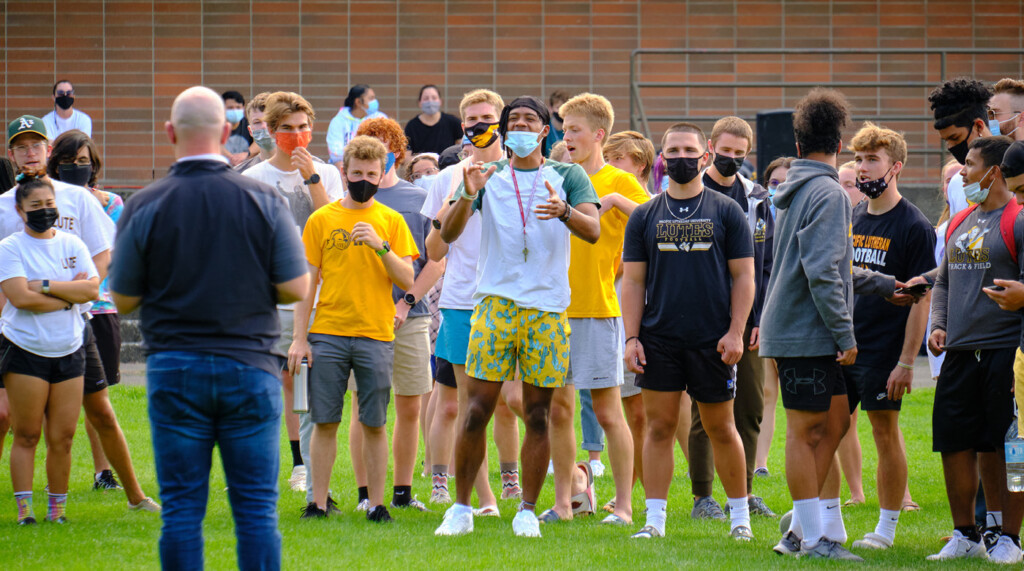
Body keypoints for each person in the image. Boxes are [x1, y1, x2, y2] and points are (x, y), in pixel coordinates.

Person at [110, 86, 309, 568]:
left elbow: (122, 298)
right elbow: (295, 287)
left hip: (175, 367)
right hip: (250, 367)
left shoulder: (144, 204)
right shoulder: (262, 198)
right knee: (258, 514)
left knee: (180, 513)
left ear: (170, 132)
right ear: (226, 132)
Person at [433, 95, 601, 538]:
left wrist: (564, 211)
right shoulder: (486, 175)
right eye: (515, 120)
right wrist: (468, 192)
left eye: (531, 120)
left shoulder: (568, 174)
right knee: (476, 410)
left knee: (538, 414)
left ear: (546, 130)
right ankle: (462, 508)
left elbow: (594, 230)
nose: (521, 126)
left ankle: (527, 509)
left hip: (547, 310)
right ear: (505, 132)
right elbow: (447, 234)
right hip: (494, 305)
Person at [2, 116, 158, 514]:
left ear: (48, 149)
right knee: (6, 416)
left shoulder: (77, 198)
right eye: (21, 147)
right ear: (12, 155)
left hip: (76, 326)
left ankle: (136, 497)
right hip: (17, 329)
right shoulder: (4, 205)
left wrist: (73, 298)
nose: (30, 153)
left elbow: (102, 257)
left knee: (102, 412)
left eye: (36, 145)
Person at [622, 122, 756, 541]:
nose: (681, 156)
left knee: (721, 428)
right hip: (658, 339)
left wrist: (736, 331)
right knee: (658, 428)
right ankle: (654, 522)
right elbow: (632, 282)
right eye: (672, 150)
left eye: (688, 149)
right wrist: (631, 337)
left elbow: (745, 277)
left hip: (712, 339)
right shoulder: (644, 214)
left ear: (705, 155)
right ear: (662, 158)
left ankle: (740, 520)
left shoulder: (727, 210)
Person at [287, 135, 417, 523]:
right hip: (327, 331)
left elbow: (408, 279)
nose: (364, 179)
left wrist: (381, 247)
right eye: (357, 172)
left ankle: (377, 505)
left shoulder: (390, 221)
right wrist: (299, 338)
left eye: (372, 173)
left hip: (376, 333)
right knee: (325, 420)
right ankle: (319, 503)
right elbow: (306, 285)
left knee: (374, 421)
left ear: (382, 175)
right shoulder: (321, 219)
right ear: (343, 172)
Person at [760, 89, 863, 560]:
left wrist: (883, 284)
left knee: (837, 421)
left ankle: (807, 528)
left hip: (802, 328)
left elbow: (830, 265)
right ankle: (811, 538)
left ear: (798, 146)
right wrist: (845, 333)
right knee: (805, 433)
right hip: (806, 332)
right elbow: (822, 271)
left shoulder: (797, 188)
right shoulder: (827, 192)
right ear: (838, 144)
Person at [543, 93, 647, 525]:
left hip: (598, 309)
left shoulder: (618, 180)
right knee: (558, 410)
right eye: (564, 130)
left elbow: (658, 216)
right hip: (550, 311)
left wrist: (616, 204)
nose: (567, 138)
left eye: (575, 131)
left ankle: (622, 507)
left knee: (608, 412)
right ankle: (565, 501)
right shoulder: (551, 175)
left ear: (598, 134)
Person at [421, 89, 523, 511]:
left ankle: (532, 481)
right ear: (461, 125)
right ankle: (484, 499)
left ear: (501, 122)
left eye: (487, 118)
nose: (479, 126)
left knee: (515, 401)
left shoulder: (525, 171)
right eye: (471, 120)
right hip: (464, 300)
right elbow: (435, 249)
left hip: (517, 301)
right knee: (471, 406)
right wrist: (462, 192)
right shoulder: (448, 176)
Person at [838, 123, 936, 551]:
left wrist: (905, 362)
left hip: (884, 351)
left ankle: (886, 528)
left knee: (884, 432)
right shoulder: (853, 215)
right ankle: (821, 523)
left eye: (872, 160)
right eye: (859, 160)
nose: (862, 168)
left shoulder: (915, 225)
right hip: (846, 345)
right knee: (828, 429)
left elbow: (921, 298)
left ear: (895, 166)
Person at [241, 91, 344, 500]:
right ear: (271, 131)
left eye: (303, 128)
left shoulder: (328, 173)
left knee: (305, 392)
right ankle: (254, 474)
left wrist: (312, 178)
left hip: (316, 303)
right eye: (287, 129)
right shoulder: (252, 180)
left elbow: (333, 228)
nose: (297, 136)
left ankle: (305, 474)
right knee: (261, 390)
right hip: (267, 303)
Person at [926, 135, 1024, 563]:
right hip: (961, 352)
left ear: (994, 171)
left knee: (1011, 445)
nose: (962, 173)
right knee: (955, 442)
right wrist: (939, 325)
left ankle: (1010, 537)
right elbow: (944, 281)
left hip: (1005, 351)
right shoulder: (961, 220)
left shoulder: (1018, 220)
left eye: (969, 164)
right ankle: (965, 532)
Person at [688, 116, 776, 522]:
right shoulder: (688, 191)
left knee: (749, 407)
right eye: (725, 151)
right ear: (710, 146)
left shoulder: (757, 198)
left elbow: (768, 263)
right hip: (701, 315)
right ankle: (702, 496)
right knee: (705, 411)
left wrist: (760, 318)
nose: (731, 159)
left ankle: (744, 493)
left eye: (740, 154)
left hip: (748, 320)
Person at [354, 117, 444, 512]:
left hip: (412, 314)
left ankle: (403, 494)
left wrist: (405, 303)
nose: (378, 150)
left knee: (410, 406)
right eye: (368, 143)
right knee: (364, 408)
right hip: (361, 318)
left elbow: (435, 261)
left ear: (397, 150)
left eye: (384, 143)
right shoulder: (348, 201)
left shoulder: (417, 199)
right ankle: (363, 495)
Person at [0, 177, 99, 524]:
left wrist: (45, 286)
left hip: (70, 349)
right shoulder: (10, 248)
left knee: (64, 436)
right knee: (27, 433)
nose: (44, 212)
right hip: (25, 349)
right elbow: (19, 298)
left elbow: (91, 290)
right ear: (20, 211)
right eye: (35, 207)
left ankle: (57, 513)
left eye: (49, 204)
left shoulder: (72, 243)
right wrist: (67, 297)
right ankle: (25, 512)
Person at [45, 129, 127, 489]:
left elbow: (113, 254)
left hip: (99, 307)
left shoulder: (110, 203)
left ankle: (103, 472)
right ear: (55, 164)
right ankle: (51, 473)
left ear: (94, 165)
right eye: (68, 162)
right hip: (50, 309)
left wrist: (84, 284)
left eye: (83, 162)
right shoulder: (43, 201)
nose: (76, 168)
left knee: (98, 398)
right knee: (50, 396)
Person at [601, 129, 657, 512]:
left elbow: (652, 217)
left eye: (618, 159)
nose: (611, 167)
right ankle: (634, 482)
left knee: (642, 409)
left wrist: (616, 198)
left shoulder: (648, 202)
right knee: (627, 407)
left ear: (640, 164)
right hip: (612, 303)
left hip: (643, 309)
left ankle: (646, 485)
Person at [753, 155, 793, 475]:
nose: (779, 190)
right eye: (774, 183)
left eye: (787, 183)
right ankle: (759, 463)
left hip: (794, 315)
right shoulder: (758, 217)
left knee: (794, 393)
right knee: (766, 390)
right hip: (763, 313)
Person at [928, 78, 995, 218]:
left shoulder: (1014, 175)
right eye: (946, 141)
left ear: (979, 126)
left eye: (955, 138)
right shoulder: (956, 184)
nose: (951, 147)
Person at [326, 84, 387, 166]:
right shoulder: (338, 121)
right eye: (370, 98)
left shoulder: (380, 119)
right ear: (358, 102)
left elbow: (386, 149)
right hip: (345, 170)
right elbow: (336, 155)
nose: (375, 101)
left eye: (374, 98)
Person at [405, 85, 463, 154]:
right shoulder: (411, 127)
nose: (430, 101)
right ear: (419, 103)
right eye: (426, 98)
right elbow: (406, 157)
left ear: (440, 101)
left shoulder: (453, 123)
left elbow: (463, 150)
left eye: (434, 98)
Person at [234, 92, 274, 173]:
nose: (264, 126)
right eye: (257, 122)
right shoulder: (240, 173)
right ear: (250, 131)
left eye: (269, 121)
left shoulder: (300, 170)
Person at [222, 90, 253, 166]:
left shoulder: (249, 124)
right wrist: (231, 157)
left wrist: (246, 153)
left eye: (238, 107)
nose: (235, 111)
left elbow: (259, 142)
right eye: (230, 108)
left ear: (243, 108)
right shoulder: (215, 125)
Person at [545, 90, 569, 155]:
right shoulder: (544, 129)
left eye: (564, 108)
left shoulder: (571, 129)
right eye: (558, 107)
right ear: (551, 109)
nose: (561, 111)